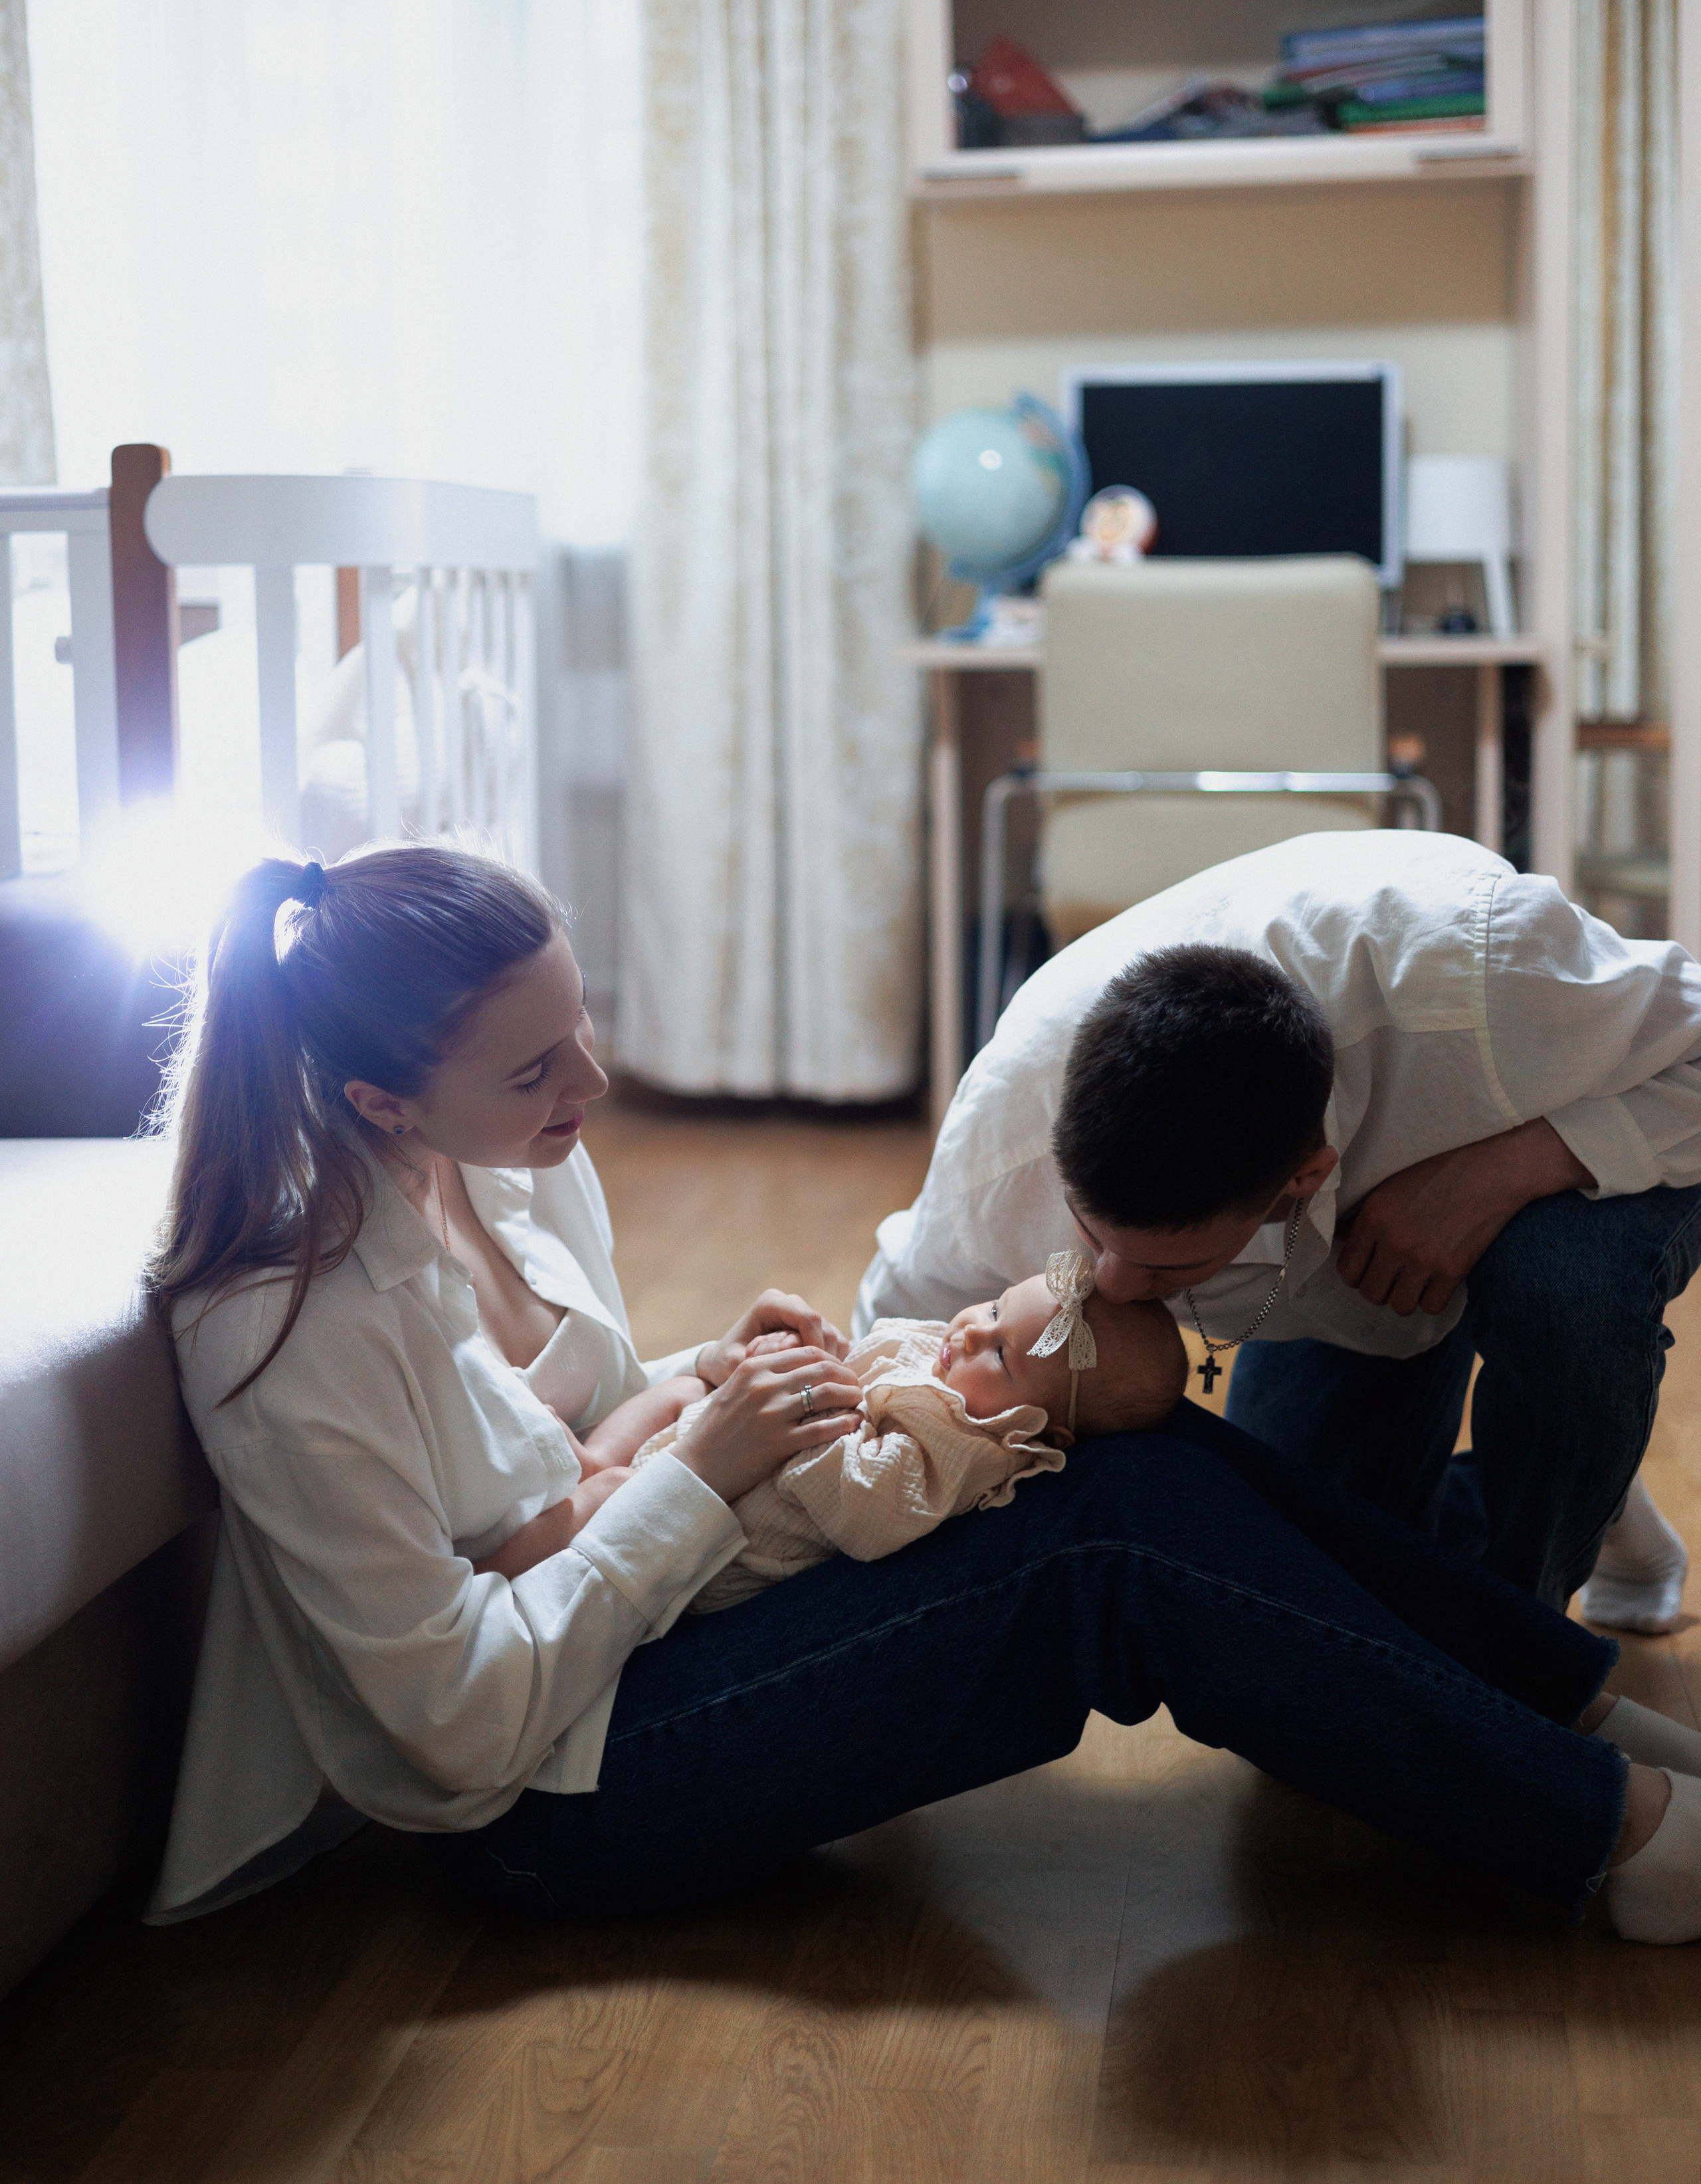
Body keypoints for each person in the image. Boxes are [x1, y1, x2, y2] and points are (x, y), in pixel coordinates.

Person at [144, 843, 1701, 1943]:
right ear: (379, 1098)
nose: (592, 1084)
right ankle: (1618, 1834)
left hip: (658, 1632)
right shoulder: (283, 1320)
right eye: (535, 1068)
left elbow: (582, 1431)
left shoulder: (499, 1161)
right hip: (552, 1798)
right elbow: (455, 1728)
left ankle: (1565, 1703)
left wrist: (728, 1370)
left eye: (580, 1027)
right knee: (1105, 1543)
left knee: (1105, 1441)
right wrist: (694, 1471)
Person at [855, 829, 1701, 1622]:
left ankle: (1530, 1617)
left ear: (1303, 1180)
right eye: (1089, 1230)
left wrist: (1501, 1171)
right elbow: (889, 1346)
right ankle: (1589, 1482)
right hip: (1345, 1295)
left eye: (1165, 1269)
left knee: (1563, 1288)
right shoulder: (1004, 1145)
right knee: (1303, 1566)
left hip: (1549, 1170)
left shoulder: (1490, 967)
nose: (1111, 1287)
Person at [492, 1258, 1189, 1612]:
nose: (973, 1331)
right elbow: (864, 1365)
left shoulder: (966, 1448)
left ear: (1035, 1428)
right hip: (729, 1449)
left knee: (610, 1496)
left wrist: (815, 1419)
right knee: (681, 1391)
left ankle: (486, 1578)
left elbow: (870, 1511)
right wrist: (807, 1356)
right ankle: (591, 1457)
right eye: (993, 1308)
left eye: (1001, 1354)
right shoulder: (951, 1363)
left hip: (725, 1548)